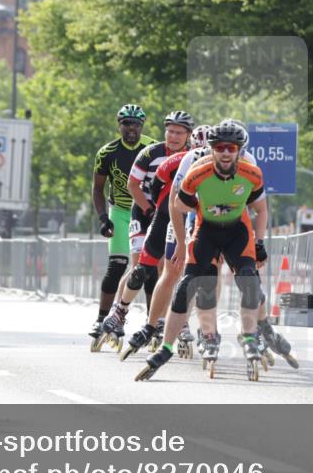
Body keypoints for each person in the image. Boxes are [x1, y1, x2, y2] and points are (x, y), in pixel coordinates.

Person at [136, 119, 268, 381]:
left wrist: (260, 242)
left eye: (231, 147)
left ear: (240, 149)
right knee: (187, 286)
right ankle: (166, 348)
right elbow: (176, 205)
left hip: (237, 233)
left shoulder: (251, 173)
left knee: (250, 283)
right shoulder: (198, 171)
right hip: (206, 230)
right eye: (220, 147)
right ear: (212, 149)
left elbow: (261, 209)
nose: (226, 152)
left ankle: (250, 337)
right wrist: (183, 243)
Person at [97, 111, 194, 348]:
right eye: (169, 131)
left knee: (168, 268)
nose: (172, 136)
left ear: (188, 135)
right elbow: (132, 184)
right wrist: (148, 209)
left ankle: (165, 320)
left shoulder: (193, 155)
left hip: (172, 214)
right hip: (144, 210)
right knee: (140, 266)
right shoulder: (150, 152)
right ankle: (118, 315)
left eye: (178, 132)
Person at [89, 104, 156, 348]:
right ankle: (101, 320)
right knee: (117, 265)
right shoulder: (107, 152)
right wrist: (103, 218)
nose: (131, 128)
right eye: (126, 123)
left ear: (142, 126)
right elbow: (98, 188)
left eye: (136, 124)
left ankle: (153, 322)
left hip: (146, 211)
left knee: (150, 269)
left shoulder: (152, 148)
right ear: (119, 125)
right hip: (120, 211)